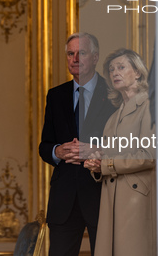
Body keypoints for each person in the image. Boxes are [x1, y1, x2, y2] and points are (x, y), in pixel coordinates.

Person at [39, 32, 117, 256]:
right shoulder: (55, 96)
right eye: (70, 53)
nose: (75, 58)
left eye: (81, 53)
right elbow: (45, 145)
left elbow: (126, 143)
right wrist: (57, 151)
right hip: (64, 200)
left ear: (95, 57)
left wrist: (95, 150)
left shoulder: (113, 93)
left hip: (101, 194)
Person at [84, 48, 156, 256]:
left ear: (138, 72)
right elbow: (107, 159)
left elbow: (149, 155)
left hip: (137, 199)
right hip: (110, 201)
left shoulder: (149, 105)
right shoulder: (113, 118)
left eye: (121, 67)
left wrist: (106, 165)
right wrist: (95, 165)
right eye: (111, 69)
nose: (114, 72)